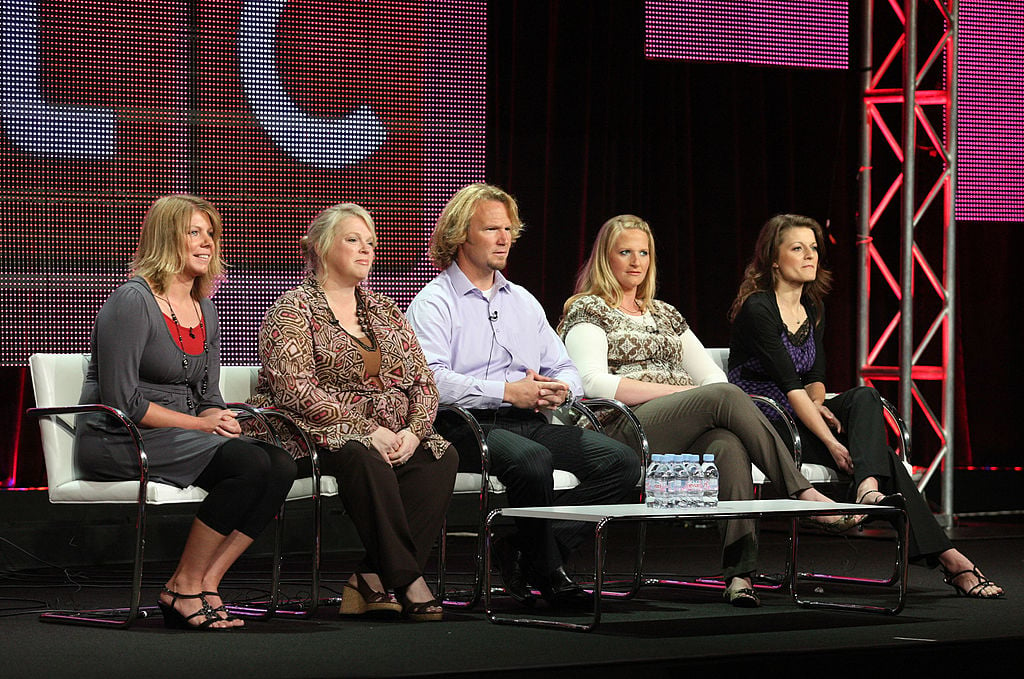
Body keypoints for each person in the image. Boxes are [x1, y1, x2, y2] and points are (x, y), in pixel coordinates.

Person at [558, 214, 857, 608]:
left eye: (643, 252)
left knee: (728, 443)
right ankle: (800, 492)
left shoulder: (665, 314)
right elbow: (593, 385)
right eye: (624, 252)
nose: (636, 261)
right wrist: (675, 391)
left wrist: (689, 395)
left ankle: (740, 575)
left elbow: (711, 376)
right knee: (725, 397)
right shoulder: (589, 311)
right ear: (604, 259)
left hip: (676, 426)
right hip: (620, 431)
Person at [728, 213, 1003, 599]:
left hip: (801, 413)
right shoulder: (759, 308)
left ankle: (869, 488)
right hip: (766, 421)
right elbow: (790, 387)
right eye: (797, 248)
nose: (810, 256)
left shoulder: (812, 308)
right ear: (773, 259)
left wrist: (820, 404)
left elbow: (815, 379)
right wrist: (833, 441)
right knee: (885, 457)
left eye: (813, 248)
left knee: (864, 395)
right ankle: (951, 559)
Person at [405, 183, 641, 609]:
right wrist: (507, 392)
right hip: (463, 426)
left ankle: (524, 545)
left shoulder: (523, 302)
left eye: (509, 230)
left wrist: (560, 389)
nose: (503, 239)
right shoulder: (434, 302)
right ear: (460, 235)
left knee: (621, 461)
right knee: (532, 460)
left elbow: (566, 367)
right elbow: (431, 382)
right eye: (491, 229)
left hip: (530, 421)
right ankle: (549, 573)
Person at [75, 195, 297, 630]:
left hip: (180, 435)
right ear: (165, 239)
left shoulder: (204, 309)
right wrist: (201, 423)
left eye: (210, 233)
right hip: (120, 438)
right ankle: (183, 583)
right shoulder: (131, 301)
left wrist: (221, 419)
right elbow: (124, 403)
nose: (207, 243)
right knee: (249, 464)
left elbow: (209, 395)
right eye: (194, 233)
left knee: (279, 464)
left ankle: (205, 582)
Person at [254, 203, 456, 622]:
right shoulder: (292, 309)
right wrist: (365, 429)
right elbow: (294, 388)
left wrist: (415, 433)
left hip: (393, 428)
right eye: (353, 240)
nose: (366, 250)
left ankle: (371, 577)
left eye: (371, 243)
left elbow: (422, 381)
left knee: (440, 456)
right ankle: (408, 580)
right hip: (314, 429)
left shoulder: (384, 310)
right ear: (323, 247)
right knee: (364, 458)